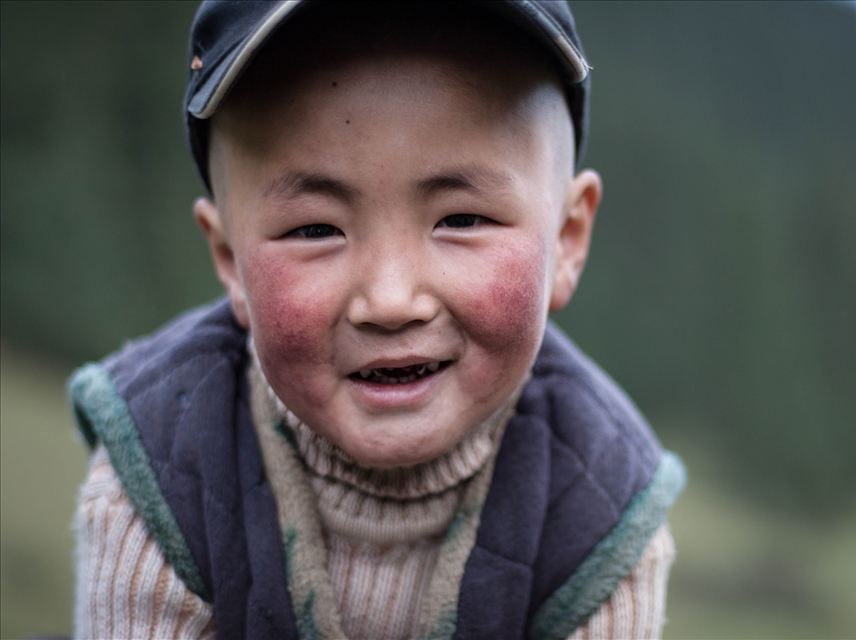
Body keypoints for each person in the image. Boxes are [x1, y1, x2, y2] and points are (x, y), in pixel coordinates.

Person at [69, 2, 686, 638]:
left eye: (463, 219)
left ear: (568, 237)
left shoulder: (604, 510)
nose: (391, 300)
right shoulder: (159, 466)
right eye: (315, 229)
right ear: (229, 260)